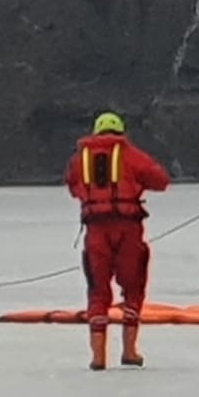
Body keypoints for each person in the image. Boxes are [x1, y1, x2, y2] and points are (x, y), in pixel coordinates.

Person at [64, 111, 171, 370]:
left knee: (98, 291)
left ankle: (98, 357)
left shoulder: (80, 159)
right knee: (133, 287)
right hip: (128, 230)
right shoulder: (131, 155)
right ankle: (130, 351)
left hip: (96, 231)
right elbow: (161, 180)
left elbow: (72, 186)